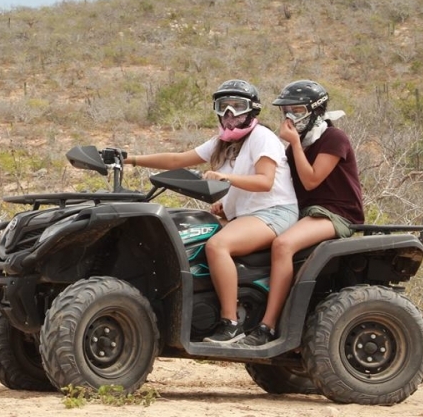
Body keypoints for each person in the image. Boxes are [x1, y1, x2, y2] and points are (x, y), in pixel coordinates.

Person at [125, 79, 298, 344]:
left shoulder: (262, 137)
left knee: (218, 245)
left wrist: (225, 179)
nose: (229, 113)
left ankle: (230, 323)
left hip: (274, 211)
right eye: (223, 106)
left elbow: (265, 181)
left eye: (237, 106)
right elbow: (177, 159)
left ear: (252, 110)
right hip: (246, 215)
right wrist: (130, 159)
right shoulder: (222, 143)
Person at [238, 80, 365, 346]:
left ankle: (267, 326)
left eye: (297, 110)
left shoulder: (333, 138)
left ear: (315, 111)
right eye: (286, 111)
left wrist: (295, 144)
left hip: (336, 213)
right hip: (305, 213)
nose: (290, 117)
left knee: (283, 245)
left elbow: (311, 180)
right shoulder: (296, 146)